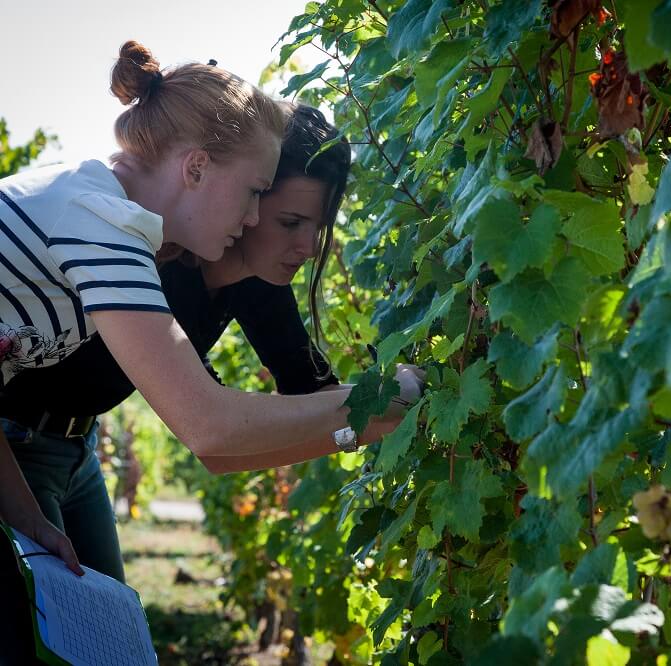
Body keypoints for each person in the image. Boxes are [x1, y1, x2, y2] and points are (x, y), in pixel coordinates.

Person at [0, 42, 422, 580]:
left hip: (67, 449)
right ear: (198, 167)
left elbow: (257, 426)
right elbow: (211, 429)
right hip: (25, 439)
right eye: (266, 203)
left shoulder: (124, 226)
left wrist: (383, 417)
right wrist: (390, 397)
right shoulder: (116, 238)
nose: (252, 219)